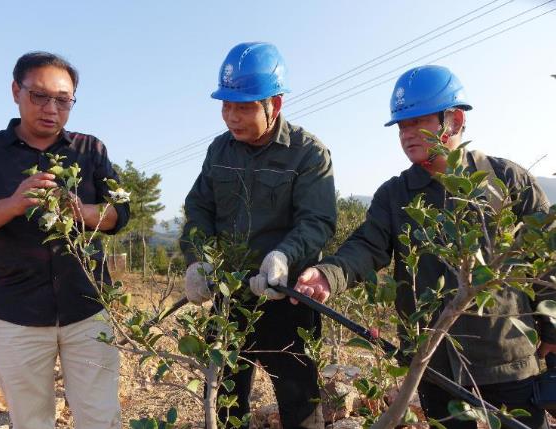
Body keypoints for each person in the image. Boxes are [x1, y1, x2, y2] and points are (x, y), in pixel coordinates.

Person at [294, 65, 556, 428]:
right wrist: (327, 275)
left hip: (508, 359)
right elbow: (367, 247)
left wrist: (553, 333)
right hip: (436, 365)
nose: (407, 134)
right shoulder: (395, 195)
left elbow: (546, 259)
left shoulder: (506, 180)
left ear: (455, 119)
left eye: (418, 122)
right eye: (402, 126)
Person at [0, 51, 128, 429]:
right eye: (39, 96)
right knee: (32, 420)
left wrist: (82, 211)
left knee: (101, 417)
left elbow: (118, 213)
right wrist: (14, 203)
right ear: (16, 91)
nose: (51, 108)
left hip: (88, 310)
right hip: (15, 315)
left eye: (63, 100)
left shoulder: (90, 150)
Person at [180, 42, 336, 428]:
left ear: (275, 105)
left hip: (288, 299)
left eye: (244, 106)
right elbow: (199, 207)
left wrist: (284, 255)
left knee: (299, 402)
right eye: (226, 106)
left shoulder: (308, 154)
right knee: (226, 401)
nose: (232, 117)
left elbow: (317, 220)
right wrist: (199, 258)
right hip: (231, 296)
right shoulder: (220, 151)